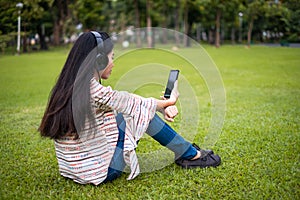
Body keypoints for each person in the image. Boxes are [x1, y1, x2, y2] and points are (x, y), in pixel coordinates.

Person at [38, 31, 221, 185]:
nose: (114, 63)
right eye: (112, 58)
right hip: (98, 173)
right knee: (141, 113)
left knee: (138, 110)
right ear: (99, 60)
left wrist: (157, 106)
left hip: (72, 169)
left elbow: (125, 103)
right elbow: (132, 104)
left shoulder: (69, 85)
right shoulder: (94, 90)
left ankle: (185, 151)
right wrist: (168, 101)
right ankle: (191, 155)